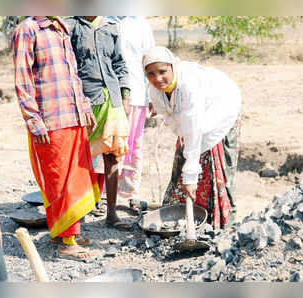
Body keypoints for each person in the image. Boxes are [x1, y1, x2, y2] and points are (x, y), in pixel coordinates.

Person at [12, 16, 100, 260]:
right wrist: (33, 119)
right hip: (50, 119)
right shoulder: (28, 28)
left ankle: (65, 231)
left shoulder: (60, 25)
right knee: (58, 180)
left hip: (72, 114)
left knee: (76, 178)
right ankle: (67, 242)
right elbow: (22, 79)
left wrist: (84, 105)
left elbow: (73, 74)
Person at [143, 46, 242, 229]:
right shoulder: (155, 90)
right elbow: (176, 122)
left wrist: (190, 179)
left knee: (211, 160)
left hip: (221, 108)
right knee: (186, 153)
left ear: (173, 67)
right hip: (193, 120)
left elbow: (194, 130)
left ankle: (220, 223)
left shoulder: (189, 86)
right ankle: (184, 218)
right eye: (151, 74)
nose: (157, 78)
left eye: (162, 71)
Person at [65, 16, 131, 230]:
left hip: (112, 100)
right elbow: (68, 66)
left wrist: (125, 96)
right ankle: (79, 212)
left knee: (112, 156)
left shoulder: (111, 27)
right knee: (80, 159)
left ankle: (111, 213)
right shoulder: (71, 26)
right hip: (84, 101)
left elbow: (120, 63)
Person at [109, 16, 155, 205]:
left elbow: (150, 61)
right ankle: (105, 195)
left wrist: (152, 95)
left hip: (137, 93)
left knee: (133, 146)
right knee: (109, 145)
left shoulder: (141, 24)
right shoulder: (103, 19)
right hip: (108, 95)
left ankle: (128, 193)